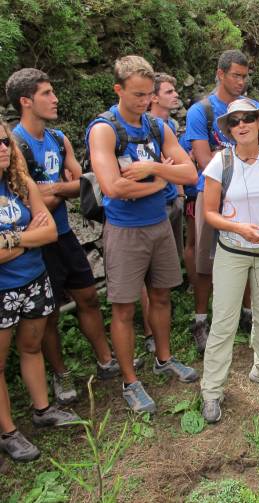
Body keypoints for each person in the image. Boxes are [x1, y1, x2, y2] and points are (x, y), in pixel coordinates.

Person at [86, 55, 198, 413]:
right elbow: (113, 187)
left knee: (161, 295)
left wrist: (151, 169)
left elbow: (191, 174)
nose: (145, 101)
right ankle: (130, 381)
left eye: (149, 94)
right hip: (125, 230)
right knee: (123, 308)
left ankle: (164, 358)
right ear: (118, 90)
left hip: (159, 224)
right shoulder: (104, 129)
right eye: (137, 94)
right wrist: (162, 179)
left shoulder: (156, 126)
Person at [6, 68, 122, 406]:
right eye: (46, 93)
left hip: (64, 234)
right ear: (26, 101)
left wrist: (51, 190)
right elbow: (26, 200)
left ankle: (105, 359)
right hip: (38, 244)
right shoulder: (14, 145)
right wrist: (57, 189)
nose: (55, 99)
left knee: (88, 297)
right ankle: (60, 374)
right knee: (48, 315)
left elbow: (83, 183)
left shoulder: (58, 138)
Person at [200, 99, 259, 423]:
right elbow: (209, 212)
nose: (241, 125)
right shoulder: (220, 163)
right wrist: (239, 228)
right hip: (232, 251)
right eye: (235, 121)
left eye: (248, 119)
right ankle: (212, 390)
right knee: (224, 322)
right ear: (229, 129)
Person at [0, 122, 79, 462]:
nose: (3, 147)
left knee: (31, 348)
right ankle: (8, 433)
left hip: (33, 279)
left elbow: (49, 233)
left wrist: (11, 239)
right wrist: (27, 236)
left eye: (5, 141)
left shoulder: (21, 183)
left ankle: (42, 410)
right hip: (3, 291)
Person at [185, 50, 259, 353]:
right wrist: (241, 156)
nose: (241, 81)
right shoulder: (201, 112)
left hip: (248, 192)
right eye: (235, 75)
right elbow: (205, 161)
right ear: (220, 73)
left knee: (248, 252)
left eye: (245, 76)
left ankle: (247, 313)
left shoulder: (251, 108)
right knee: (206, 261)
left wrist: (230, 156)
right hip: (213, 193)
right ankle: (201, 321)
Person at [142, 72, 185, 353]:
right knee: (147, 273)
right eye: (169, 92)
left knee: (166, 269)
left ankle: (161, 321)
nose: (176, 95)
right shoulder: (146, 128)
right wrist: (164, 172)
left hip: (171, 200)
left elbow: (181, 165)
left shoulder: (170, 126)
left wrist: (179, 193)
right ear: (154, 97)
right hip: (150, 206)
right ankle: (149, 331)